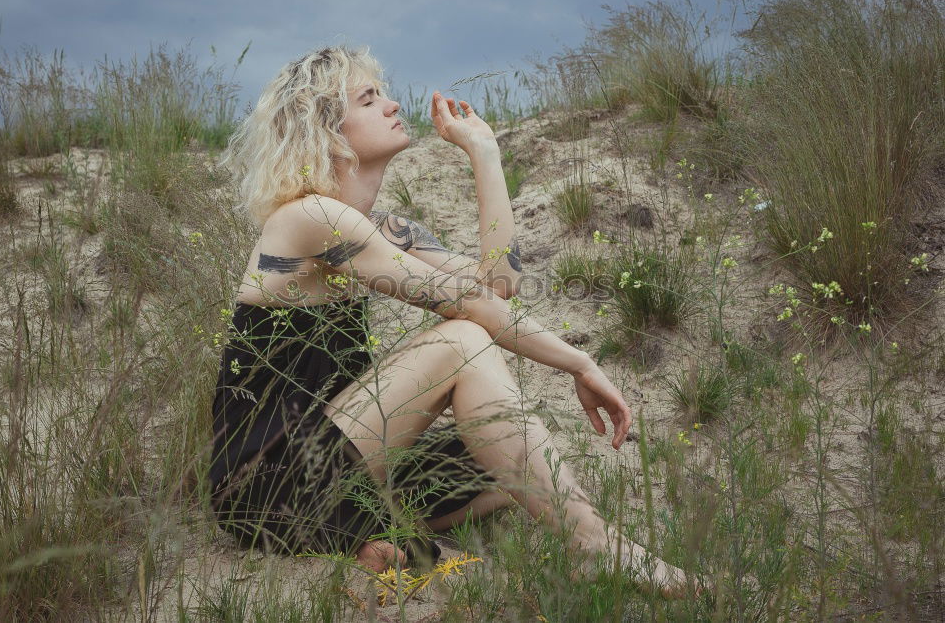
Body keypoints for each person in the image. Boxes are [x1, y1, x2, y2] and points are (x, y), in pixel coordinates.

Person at [208, 45, 692, 597]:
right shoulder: (309, 218)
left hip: (340, 461)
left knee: (518, 465)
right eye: (369, 98)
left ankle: (365, 537)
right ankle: (596, 545)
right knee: (461, 341)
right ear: (328, 132)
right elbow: (470, 309)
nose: (393, 105)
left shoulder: (381, 226)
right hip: (270, 483)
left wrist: (485, 154)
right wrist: (580, 363)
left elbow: (497, 285)